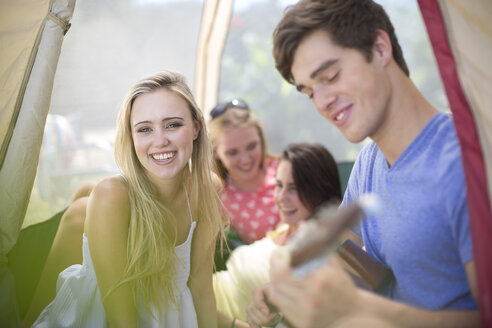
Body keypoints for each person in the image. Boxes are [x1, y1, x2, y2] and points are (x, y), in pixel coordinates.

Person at [246, 0, 480, 327]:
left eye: (330, 75)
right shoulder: (368, 162)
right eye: (309, 92)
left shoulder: (466, 163)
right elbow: (352, 255)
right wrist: (292, 292)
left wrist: (358, 309)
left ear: (380, 48)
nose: (322, 102)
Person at [28, 71, 224, 327]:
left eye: (173, 124)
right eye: (145, 129)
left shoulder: (208, 187)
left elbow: (201, 289)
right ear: (131, 138)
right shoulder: (112, 197)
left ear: (196, 128)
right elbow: (121, 320)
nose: (160, 140)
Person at [214, 143, 342, 328]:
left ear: (320, 190)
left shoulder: (315, 252)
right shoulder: (288, 225)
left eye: (294, 188)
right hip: (204, 289)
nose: (281, 197)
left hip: (212, 315)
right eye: (279, 185)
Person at [208, 100, 281, 245]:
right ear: (216, 152)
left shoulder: (287, 170)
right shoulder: (217, 198)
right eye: (232, 152)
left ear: (260, 138)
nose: (245, 160)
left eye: (252, 146)